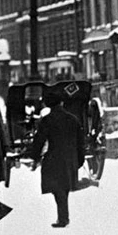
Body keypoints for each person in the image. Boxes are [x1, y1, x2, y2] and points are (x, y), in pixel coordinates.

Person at [17, 92, 85, 228]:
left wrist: (35, 157)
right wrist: (79, 160)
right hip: (70, 159)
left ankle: (63, 218)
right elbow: (80, 142)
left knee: (57, 188)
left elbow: (39, 141)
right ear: (61, 103)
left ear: (47, 105)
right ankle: (63, 217)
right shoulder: (73, 119)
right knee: (63, 188)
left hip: (54, 159)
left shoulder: (47, 120)